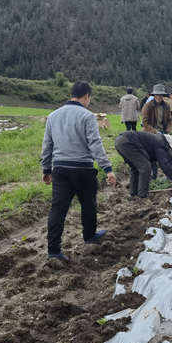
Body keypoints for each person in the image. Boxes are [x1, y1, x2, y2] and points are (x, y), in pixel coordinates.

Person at [41, 81, 117, 262]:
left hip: (60, 169)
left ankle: (53, 250)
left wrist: (46, 168)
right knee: (89, 204)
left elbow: (47, 145)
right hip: (83, 168)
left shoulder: (53, 116)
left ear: (71, 95)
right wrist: (107, 168)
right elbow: (95, 144)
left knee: (58, 210)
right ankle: (89, 236)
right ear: (86, 97)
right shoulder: (87, 116)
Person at [114, 131, 172, 198]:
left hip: (120, 142)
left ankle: (133, 194)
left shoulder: (155, 140)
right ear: (167, 143)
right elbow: (164, 165)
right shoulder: (160, 143)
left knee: (135, 168)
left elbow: (152, 159)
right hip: (128, 142)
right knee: (145, 167)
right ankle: (142, 196)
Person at [141, 84, 172, 179]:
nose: (159, 97)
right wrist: (154, 131)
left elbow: (169, 119)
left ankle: (168, 175)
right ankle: (153, 176)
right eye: (157, 95)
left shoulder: (166, 106)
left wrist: (168, 130)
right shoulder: (148, 106)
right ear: (154, 95)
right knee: (151, 155)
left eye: (161, 95)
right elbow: (145, 122)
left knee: (166, 153)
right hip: (150, 132)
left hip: (162, 131)